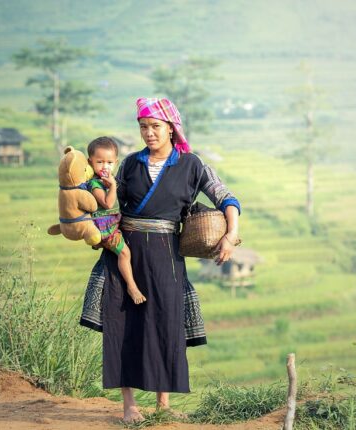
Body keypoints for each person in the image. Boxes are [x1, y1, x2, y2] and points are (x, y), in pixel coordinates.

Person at [86, 97, 241, 423]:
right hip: (126, 251)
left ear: (171, 128)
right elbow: (108, 200)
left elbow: (226, 197)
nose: (148, 133)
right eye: (143, 127)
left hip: (167, 256)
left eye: (155, 126)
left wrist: (230, 234)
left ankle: (164, 404)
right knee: (123, 324)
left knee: (167, 324)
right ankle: (129, 407)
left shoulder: (191, 165)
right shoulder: (129, 164)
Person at [86, 137, 146, 305]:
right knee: (125, 253)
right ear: (90, 162)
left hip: (112, 225)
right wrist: (112, 186)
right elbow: (107, 203)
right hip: (106, 229)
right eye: (100, 162)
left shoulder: (106, 180)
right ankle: (131, 286)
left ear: (116, 162)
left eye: (110, 162)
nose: (105, 166)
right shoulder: (95, 184)